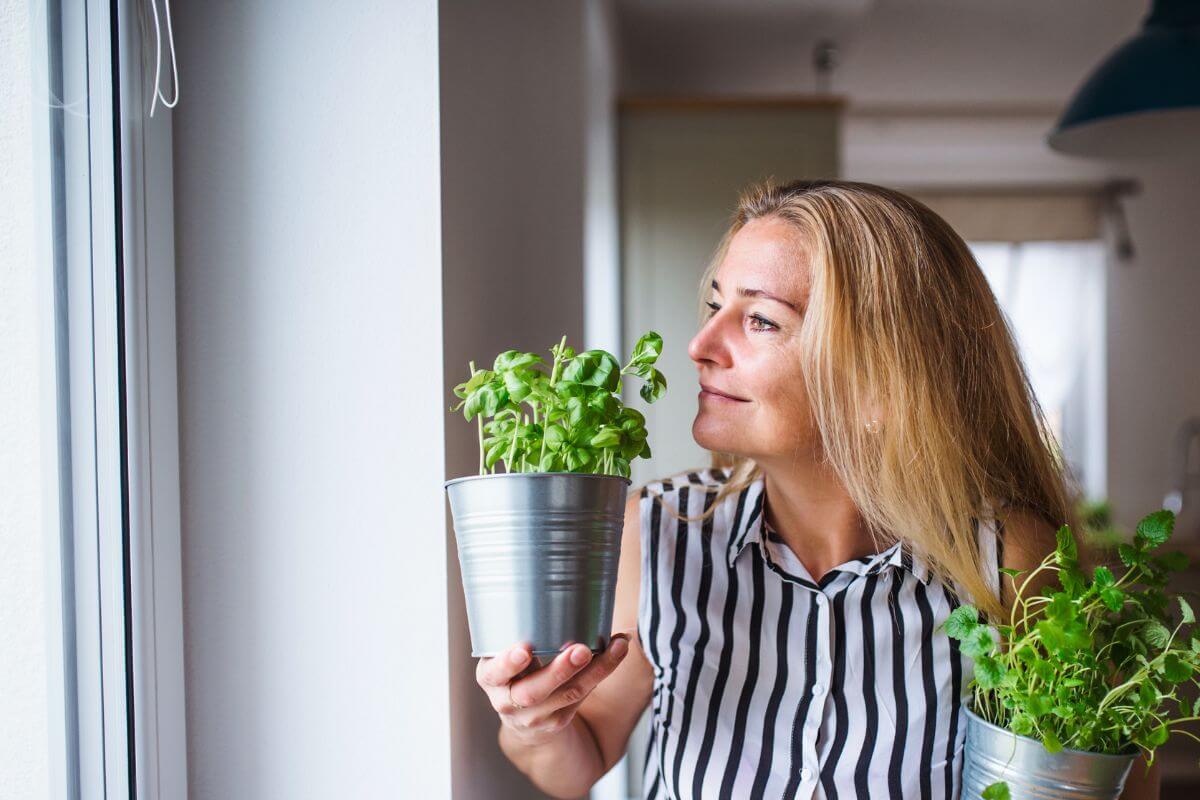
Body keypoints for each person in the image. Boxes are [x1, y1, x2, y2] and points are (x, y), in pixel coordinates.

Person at [473, 179, 1160, 799]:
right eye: (716, 304)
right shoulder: (656, 533)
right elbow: (578, 758)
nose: (700, 343)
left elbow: (1097, 777)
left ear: (878, 380)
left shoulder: (1006, 559)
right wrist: (535, 722)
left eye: (761, 319)